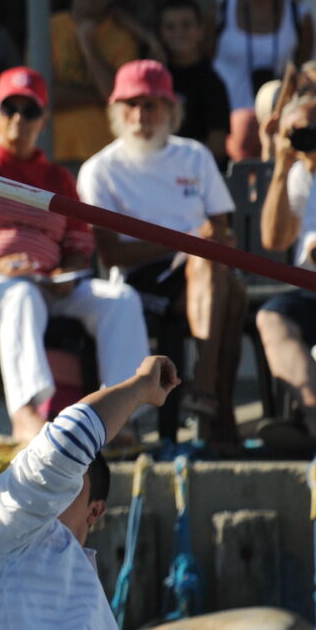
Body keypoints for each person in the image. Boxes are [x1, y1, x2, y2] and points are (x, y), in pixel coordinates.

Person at [0, 67, 148, 443]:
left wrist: (67, 274)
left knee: (121, 299)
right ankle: (26, 414)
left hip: (49, 281)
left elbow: (79, 244)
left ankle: (118, 414)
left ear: (43, 121)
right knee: (21, 295)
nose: (18, 119)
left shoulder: (58, 178)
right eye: (9, 108)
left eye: (29, 111)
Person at [0, 356, 181, 630]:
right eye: (58, 477)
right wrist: (142, 386)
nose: (56, 489)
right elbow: (69, 442)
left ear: (94, 512)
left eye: (71, 485)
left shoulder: (72, 569)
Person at [76, 60, 244, 445]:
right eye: (130, 105)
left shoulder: (195, 155)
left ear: (171, 109)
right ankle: (215, 405)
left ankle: (206, 395)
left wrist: (204, 241)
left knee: (223, 280)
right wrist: (185, 239)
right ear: (116, 112)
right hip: (142, 278)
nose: (140, 115)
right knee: (230, 292)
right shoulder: (99, 169)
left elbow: (222, 228)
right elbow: (112, 253)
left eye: (151, 104)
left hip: (200, 271)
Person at [50, 0, 159, 163]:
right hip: (55, 156)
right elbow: (45, 97)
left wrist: (89, 47)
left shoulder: (124, 37)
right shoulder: (49, 28)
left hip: (107, 159)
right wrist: (99, 94)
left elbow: (116, 97)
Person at [254, 93, 316, 443]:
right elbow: (274, 239)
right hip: (307, 288)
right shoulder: (297, 174)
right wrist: (281, 165)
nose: (308, 137)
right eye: (298, 131)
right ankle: (313, 414)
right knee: (272, 317)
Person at [212, 0, 313, 112]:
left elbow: (302, 68)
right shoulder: (220, 10)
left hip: (278, 119)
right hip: (228, 118)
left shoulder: (299, 16)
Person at [158, 0, 231, 161]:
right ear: (160, 32)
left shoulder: (212, 82)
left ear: (200, 30)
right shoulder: (158, 78)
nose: (179, 32)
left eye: (186, 25)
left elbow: (217, 146)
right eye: (170, 26)